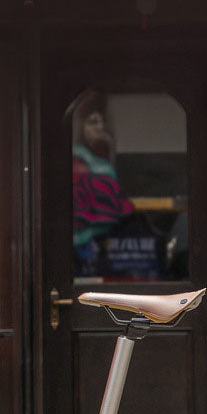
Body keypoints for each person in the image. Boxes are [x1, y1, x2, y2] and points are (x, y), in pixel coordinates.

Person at [71, 92, 135, 276]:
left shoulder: (105, 150)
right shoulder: (77, 156)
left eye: (101, 122)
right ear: (81, 127)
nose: (99, 127)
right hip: (82, 232)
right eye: (92, 122)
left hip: (105, 235)